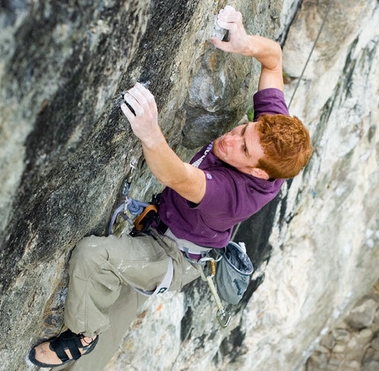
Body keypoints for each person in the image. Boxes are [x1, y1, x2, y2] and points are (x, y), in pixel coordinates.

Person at [28, 5, 312, 368]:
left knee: (93, 257)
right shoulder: (272, 137)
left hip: (172, 256)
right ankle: (91, 345)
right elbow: (273, 60)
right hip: (161, 230)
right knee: (96, 353)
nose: (231, 138)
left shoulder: (236, 196)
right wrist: (244, 43)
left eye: (243, 148)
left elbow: (177, 176)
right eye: (244, 129)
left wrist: (149, 131)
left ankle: (81, 333)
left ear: (259, 173)